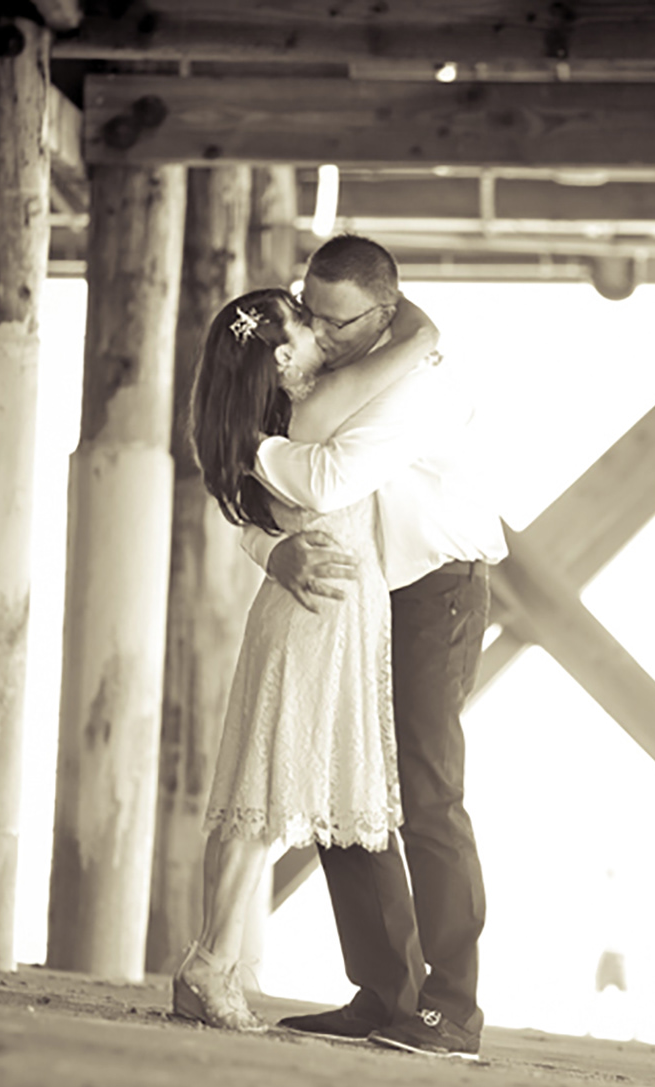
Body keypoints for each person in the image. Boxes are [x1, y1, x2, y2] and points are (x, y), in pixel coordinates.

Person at [246, 235, 506, 1061]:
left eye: (340, 322)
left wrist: (238, 442)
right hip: (352, 594)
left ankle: (451, 1011)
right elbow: (252, 505)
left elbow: (320, 482)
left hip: (435, 590)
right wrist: (269, 547)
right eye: (310, 313)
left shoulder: (422, 387)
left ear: (385, 315)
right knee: (338, 782)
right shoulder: (319, 369)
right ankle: (382, 991)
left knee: (427, 795)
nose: (319, 334)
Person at [172, 285, 440, 1032]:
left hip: (315, 605)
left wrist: (272, 550)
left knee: (262, 791)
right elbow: (417, 340)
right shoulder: (314, 408)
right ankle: (211, 962)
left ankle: (214, 959)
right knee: (268, 793)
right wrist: (400, 315)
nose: (322, 328)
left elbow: (248, 519)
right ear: (284, 354)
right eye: (306, 318)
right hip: (323, 610)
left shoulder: (262, 422)